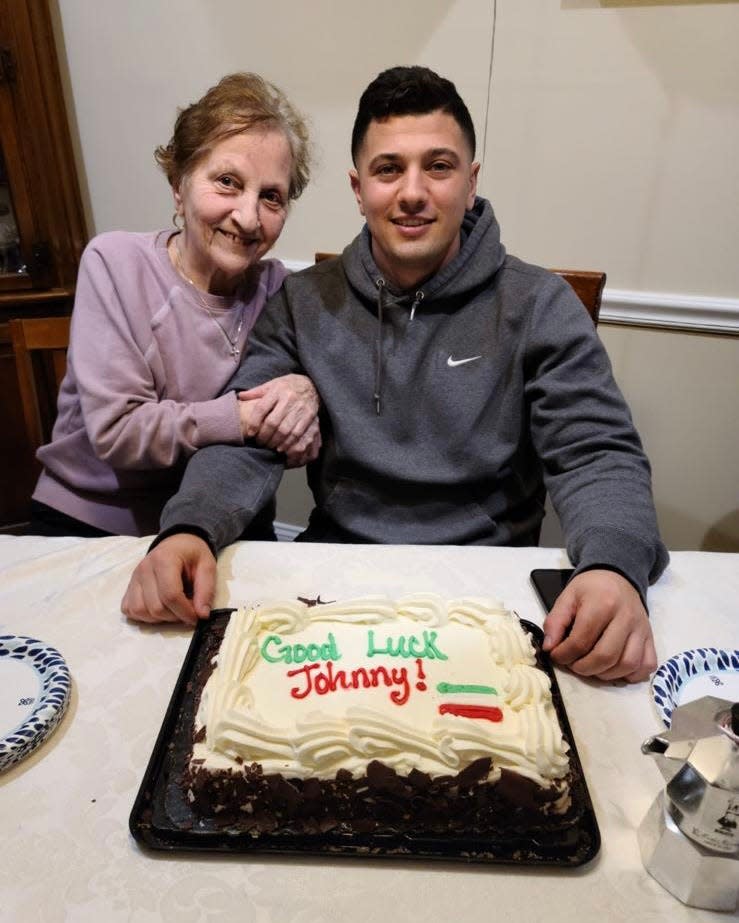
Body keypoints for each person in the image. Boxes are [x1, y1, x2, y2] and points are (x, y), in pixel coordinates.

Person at [122, 66, 669, 684]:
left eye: (438, 166)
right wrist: (192, 526)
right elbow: (249, 442)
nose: (412, 192)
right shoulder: (302, 303)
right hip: (333, 585)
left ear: (471, 182)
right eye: (388, 170)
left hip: (489, 592)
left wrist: (613, 567)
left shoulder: (539, 304)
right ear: (359, 189)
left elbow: (595, 453)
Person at [29, 73, 320, 539]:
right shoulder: (115, 263)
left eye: (271, 196)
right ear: (178, 185)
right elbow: (120, 432)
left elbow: (307, 413)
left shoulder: (280, 288)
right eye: (227, 182)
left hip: (223, 518)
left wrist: (304, 395)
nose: (247, 217)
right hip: (97, 520)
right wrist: (242, 418)